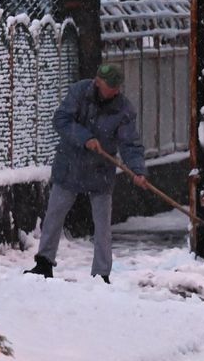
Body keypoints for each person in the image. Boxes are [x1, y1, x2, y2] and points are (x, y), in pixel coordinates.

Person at [25, 63, 148, 282]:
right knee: (54, 215)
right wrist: (85, 138)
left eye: (117, 86)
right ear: (98, 82)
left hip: (100, 171)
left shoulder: (123, 109)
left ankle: (101, 273)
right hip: (70, 165)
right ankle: (44, 262)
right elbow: (61, 120)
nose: (115, 91)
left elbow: (130, 144)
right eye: (111, 86)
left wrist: (137, 170)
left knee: (102, 226)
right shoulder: (79, 93)